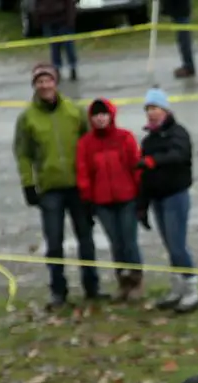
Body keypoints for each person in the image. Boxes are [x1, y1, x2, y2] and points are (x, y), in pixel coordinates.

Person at [14, 64, 106, 310]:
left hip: (79, 186)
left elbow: (92, 144)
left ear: (56, 82)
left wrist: (96, 180)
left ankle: (92, 287)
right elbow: (22, 154)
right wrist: (28, 184)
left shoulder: (75, 111)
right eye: (39, 82)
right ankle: (58, 290)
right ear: (34, 86)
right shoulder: (27, 118)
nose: (44, 86)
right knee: (54, 242)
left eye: (48, 80)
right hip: (49, 189)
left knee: (86, 238)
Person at [137, 88, 198, 314]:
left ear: (165, 110)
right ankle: (177, 288)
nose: (152, 113)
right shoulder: (148, 141)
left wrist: (155, 161)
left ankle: (192, 289)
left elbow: (179, 155)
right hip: (158, 199)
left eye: (155, 108)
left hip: (176, 196)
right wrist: (141, 205)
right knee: (169, 246)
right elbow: (144, 175)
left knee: (178, 245)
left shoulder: (178, 133)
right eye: (148, 110)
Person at [77, 98, 146, 302]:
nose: (100, 119)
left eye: (104, 114)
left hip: (127, 199)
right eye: (96, 115)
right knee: (115, 242)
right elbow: (83, 173)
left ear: (111, 115)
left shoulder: (125, 138)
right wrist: (87, 199)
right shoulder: (86, 144)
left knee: (129, 241)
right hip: (102, 202)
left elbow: (136, 165)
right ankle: (122, 281)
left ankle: (136, 280)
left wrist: (141, 195)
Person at [35, 0, 79, 82]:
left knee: (69, 46)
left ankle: (73, 68)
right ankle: (56, 69)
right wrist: (38, 20)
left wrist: (70, 20)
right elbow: (37, 4)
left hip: (63, 20)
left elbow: (70, 3)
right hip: (48, 21)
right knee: (54, 48)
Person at [161, 0, 196, 78]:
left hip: (180, 9)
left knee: (183, 37)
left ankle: (188, 66)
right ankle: (187, 65)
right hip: (176, 9)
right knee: (181, 38)